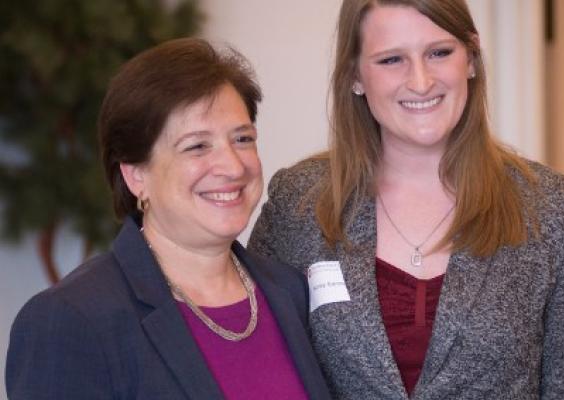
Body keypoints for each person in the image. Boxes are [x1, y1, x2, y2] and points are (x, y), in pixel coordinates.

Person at [248, 1, 564, 399]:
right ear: (354, 76)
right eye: (392, 59)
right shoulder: (299, 203)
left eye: (439, 53)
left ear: (470, 57)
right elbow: (255, 364)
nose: (420, 81)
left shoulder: (556, 210)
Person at [6, 38, 331, 400]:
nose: (233, 165)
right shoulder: (70, 320)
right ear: (135, 176)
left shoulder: (290, 291)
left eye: (242, 138)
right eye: (197, 146)